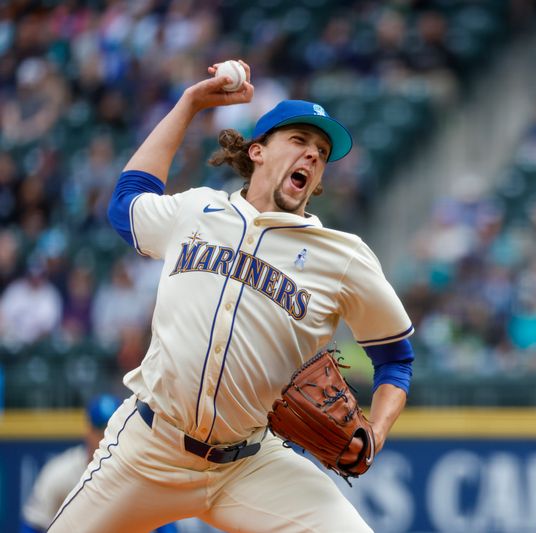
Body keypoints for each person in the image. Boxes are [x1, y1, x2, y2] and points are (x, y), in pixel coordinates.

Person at [48, 61, 415, 532]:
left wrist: (378, 431)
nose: (311, 156)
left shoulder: (342, 257)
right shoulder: (197, 210)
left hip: (252, 464)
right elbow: (126, 203)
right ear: (257, 151)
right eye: (299, 141)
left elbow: (396, 358)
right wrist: (190, 104)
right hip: (148, 449)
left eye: (321, 152)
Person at [21, 395, 177, 533]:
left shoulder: (143, 474)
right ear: (87, 431)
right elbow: (32, 526)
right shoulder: (60, 474)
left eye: (111, 428)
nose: (105, 436)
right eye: (99, 429)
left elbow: (167, 528)